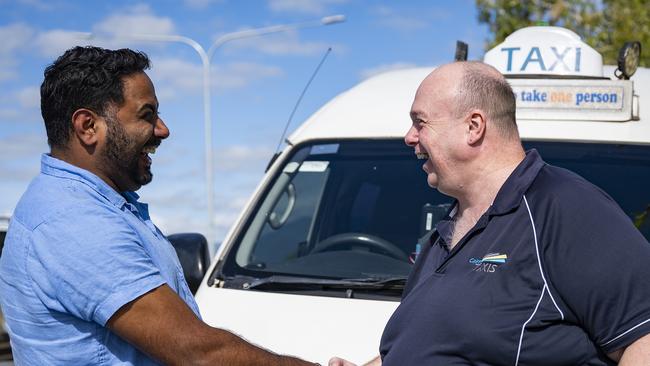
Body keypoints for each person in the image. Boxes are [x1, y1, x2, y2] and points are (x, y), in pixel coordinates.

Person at [0, 46, 319, 366]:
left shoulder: (92, 205)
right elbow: (198, 354)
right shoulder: (72, 222)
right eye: (147, 115)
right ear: (88, 126)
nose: (163, 130)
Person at [329, 61, 650, 365]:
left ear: (474, 127)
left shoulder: (566, 208)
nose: (409, 137)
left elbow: (643, 340)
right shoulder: (446, 232)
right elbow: (431, 346)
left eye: (420, 122)